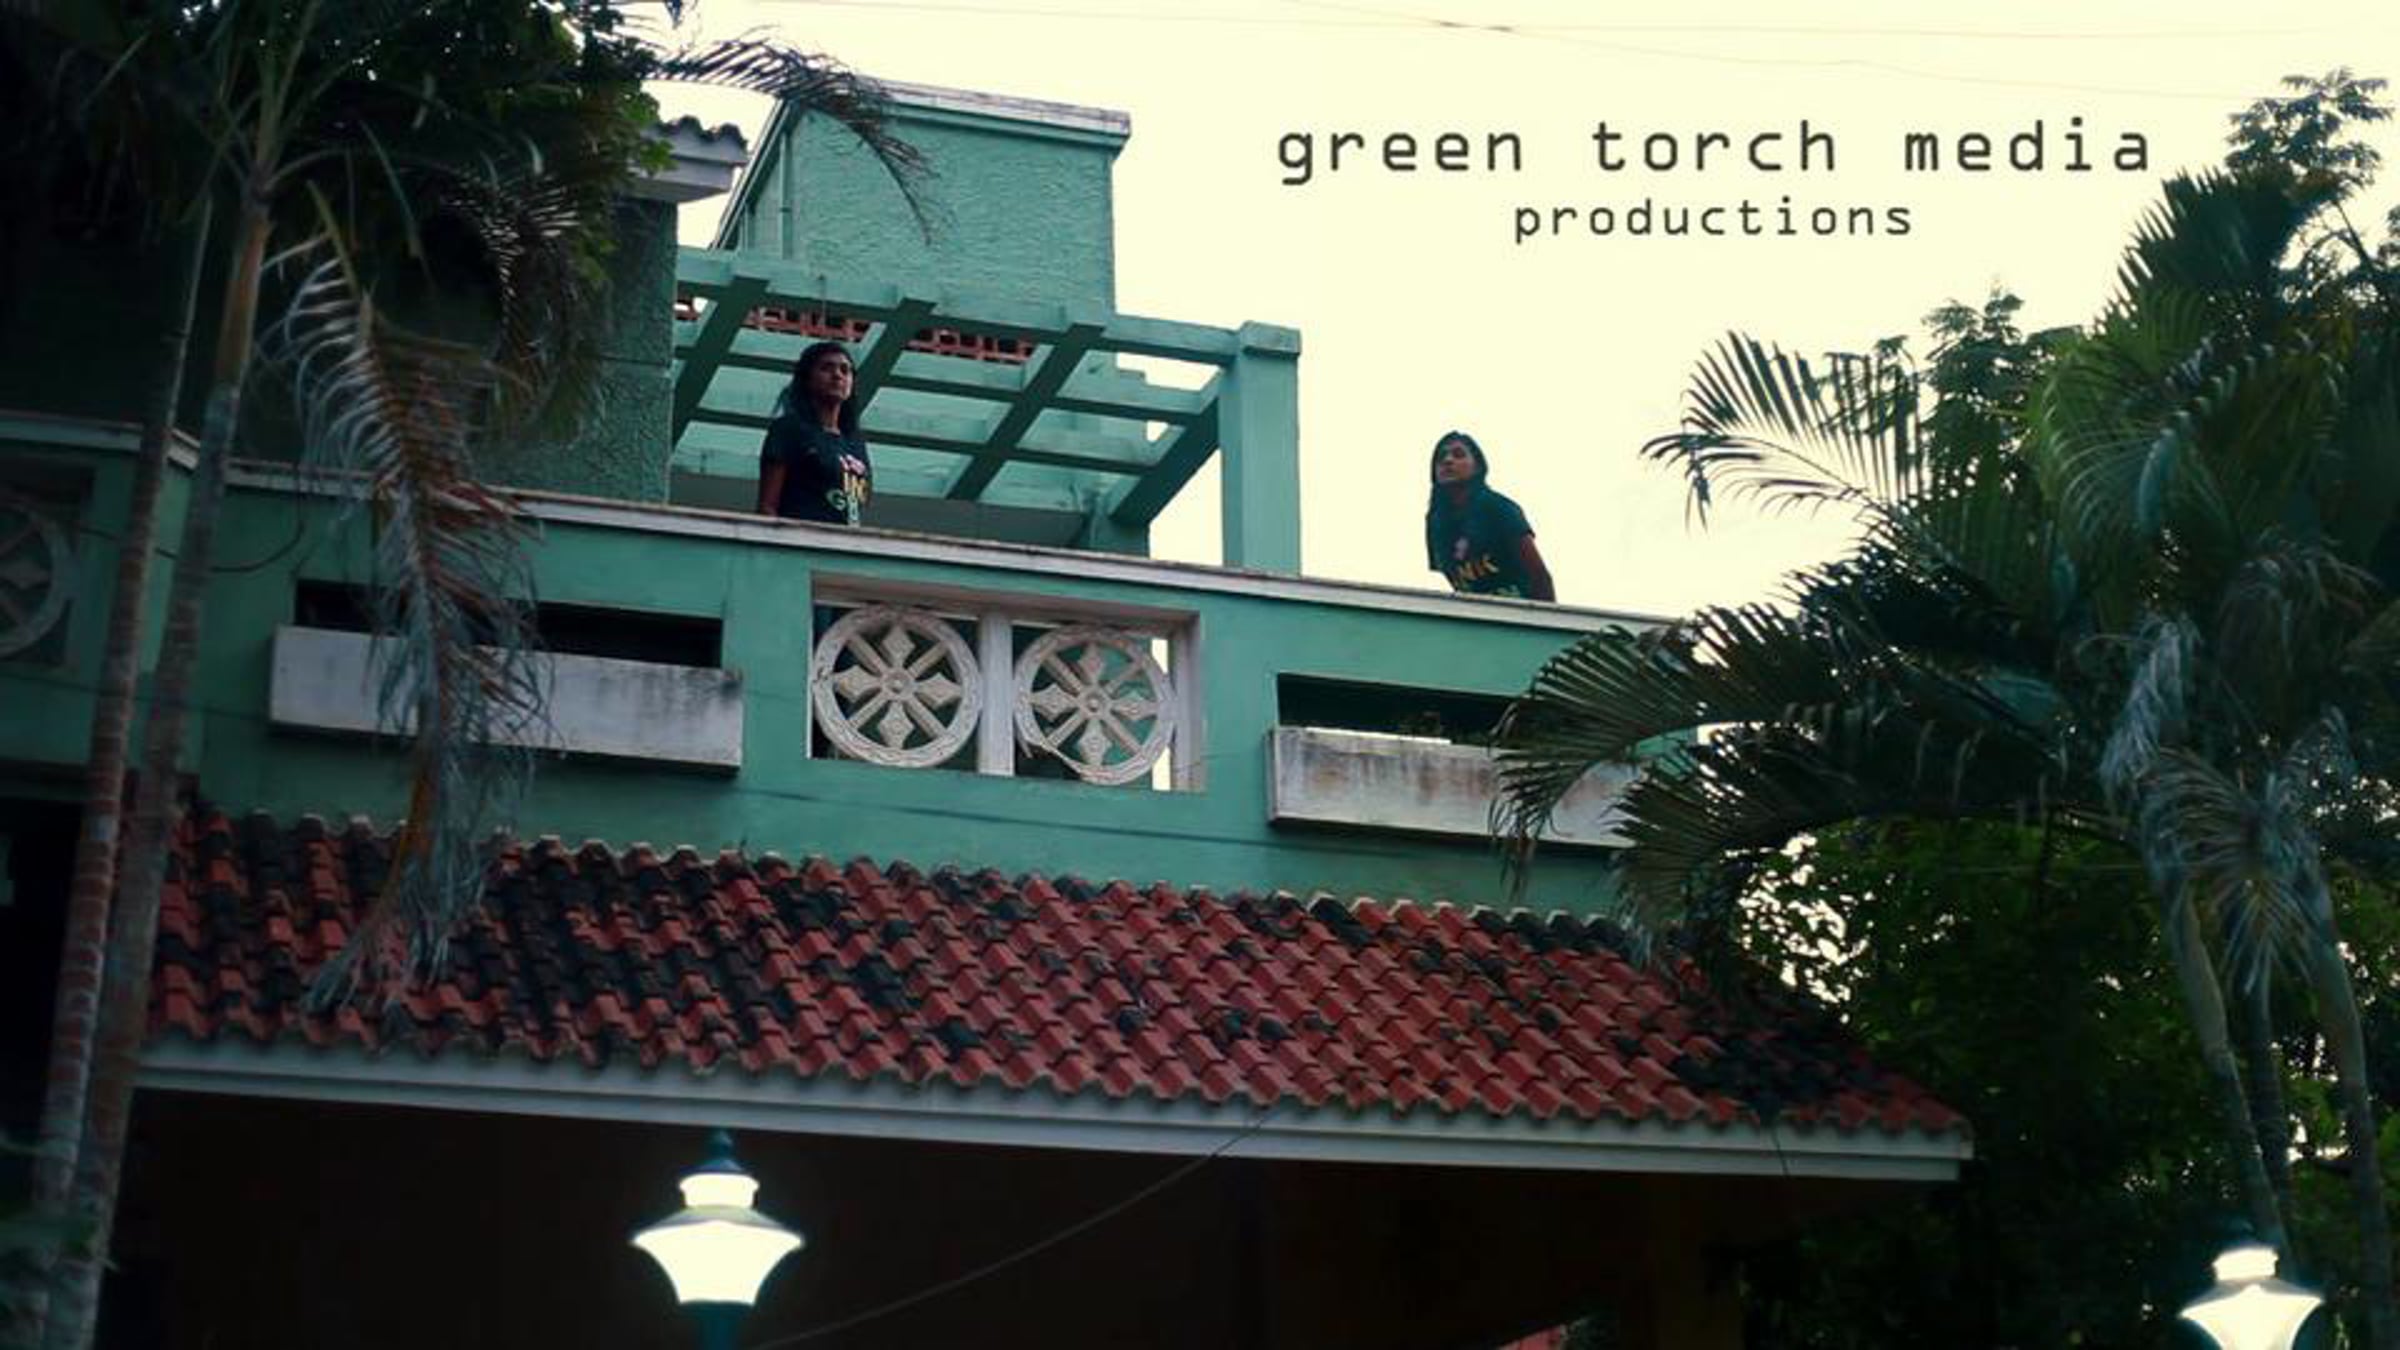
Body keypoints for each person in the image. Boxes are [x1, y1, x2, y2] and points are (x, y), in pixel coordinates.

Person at [1424, 430, 1556, 601]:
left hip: (1521, 609)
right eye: (1441, 457)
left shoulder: (1498, 507)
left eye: (1459, 455)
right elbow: (1455, 579)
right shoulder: (1436, 522)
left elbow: (1539, 575)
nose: (1448, 460)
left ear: (1478, 467)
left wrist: (1545, 615)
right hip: (1476, 613)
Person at [757, 340, 872, 525]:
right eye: (827, 368)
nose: (837, 375)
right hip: (801, 537)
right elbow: (767, 506)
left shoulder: (855, 441)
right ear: (807, 379)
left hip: (847, 539)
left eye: (845, 370)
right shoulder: (789, 429)